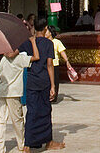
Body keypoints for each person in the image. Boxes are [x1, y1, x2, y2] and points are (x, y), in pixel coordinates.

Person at [17, 17, 63, 150]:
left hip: (31, 80)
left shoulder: (27, 42)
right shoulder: (49, 44)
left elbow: (16, 53)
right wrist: (53, 85)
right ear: (45, 28)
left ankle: (27, 145)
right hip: (44, 81)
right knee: (45, 111)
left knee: (32, 112)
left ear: (33, 28)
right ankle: (48, 141)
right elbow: (49, 65)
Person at [0, 48, 31, 153]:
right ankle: (21, 144)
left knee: (1, 121)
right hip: (13, 93)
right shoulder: (21, 58)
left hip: (2, 92)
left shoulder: (4, 59)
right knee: (17, 120)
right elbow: (36, 58)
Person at [48, 26, 75, 104]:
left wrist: (67, 61)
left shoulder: (57, 42)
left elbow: (62, 52)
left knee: (55, 81)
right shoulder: (45, 41)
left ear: (50, 33)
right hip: (46, 64)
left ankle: (54, 97)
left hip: (55, 64)